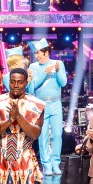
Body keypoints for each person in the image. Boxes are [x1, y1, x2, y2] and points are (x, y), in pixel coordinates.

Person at [27, 37, 68, 175]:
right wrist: (45, 73)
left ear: (46, 52)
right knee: (43, 135)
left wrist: (58, 71)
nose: (36, 55)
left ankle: (56, 163)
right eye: (35, 53)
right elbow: (33, 87)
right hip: (41, 104)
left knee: (57, 134)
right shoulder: (33, 67)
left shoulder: (58, 63)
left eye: (38, 52)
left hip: (56, 103)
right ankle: (46, 165)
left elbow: (63, 83)